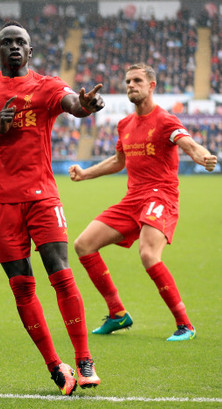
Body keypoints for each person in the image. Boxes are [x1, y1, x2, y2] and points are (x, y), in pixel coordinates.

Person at [0, 21, 104, 396]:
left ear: (31, 51)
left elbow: (74, 103)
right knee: (22, 287)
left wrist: (85, 107)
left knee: (61, 273)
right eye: (7, 43)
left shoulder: (47, 86)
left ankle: (84, 361)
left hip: (42, 197)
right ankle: (56, 367)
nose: (15, 47)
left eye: (21, 42)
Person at [69, 63, 217, 341]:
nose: (130, 86)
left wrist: (203, 156)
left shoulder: (165, 120)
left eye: (137, 80)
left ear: (152, 86)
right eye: (127, 82)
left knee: (148, 254)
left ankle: (185, 324)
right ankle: (117, 314)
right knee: (83, 245)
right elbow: (118, 161)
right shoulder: (124, 124)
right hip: (132, 200)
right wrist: (85, 173)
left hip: (161, 196)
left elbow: (189, 145)